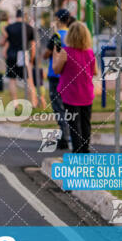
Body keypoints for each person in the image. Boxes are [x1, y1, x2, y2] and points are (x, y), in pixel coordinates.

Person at [52, 21, 97, 153]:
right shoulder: (89, 53)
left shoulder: (66, 52)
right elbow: (94, 72)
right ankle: (85, 149)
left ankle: (77, 152)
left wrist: (56, 54)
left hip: (70, 95)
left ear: (70, 36)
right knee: (86, 123)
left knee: (74, 125)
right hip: (87, 94)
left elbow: (56, 70)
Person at [42, 9, 72, 150]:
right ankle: (70, 134)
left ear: (58, 20)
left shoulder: (56, 36)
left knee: (58, 106)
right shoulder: (72, 36)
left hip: (55, 76)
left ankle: (64, 136)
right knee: (69, 105)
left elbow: (46, 54)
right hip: (70, 75)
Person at [1, 10, 38, 106]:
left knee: (12, 80)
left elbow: (4, 42)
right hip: (23, 55)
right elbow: (33, 46)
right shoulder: (29, 28)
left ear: (16, 16)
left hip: (11, 55)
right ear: (24, 17)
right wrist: (32, 60)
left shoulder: (9, 28)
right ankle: (33, 103)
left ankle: (15, 103)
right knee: (29, 80)